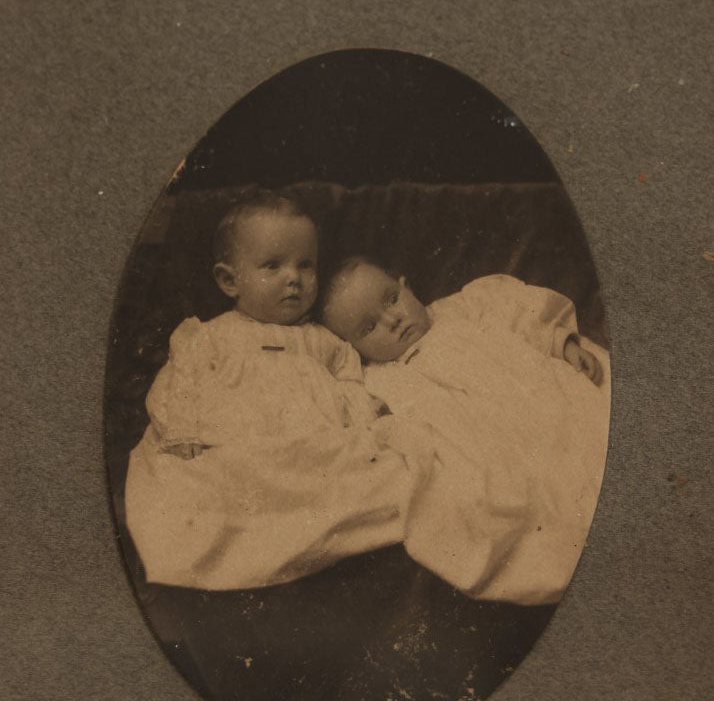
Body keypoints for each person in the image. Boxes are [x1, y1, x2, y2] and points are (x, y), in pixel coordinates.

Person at [125, 192, 432, 591]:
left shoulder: (326, 341)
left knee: (378, 477)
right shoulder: (210, 336)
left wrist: (364, 431)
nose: (294, 278)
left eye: (305, 265)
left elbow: (354, 388)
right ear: (229, 280)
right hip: (241, 442)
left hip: (314, 445)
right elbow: (177, 385)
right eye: (273, 265)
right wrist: (182, 433)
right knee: (207, 489)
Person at [320, 257, 611, 605]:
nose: (392, 320)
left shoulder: (463, 308)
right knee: (525, 502)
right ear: (355, 348)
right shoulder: (378, 381)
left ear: (405, 285)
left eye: (391, 299)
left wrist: (562, 344)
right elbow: (376, 432)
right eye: (369, 328)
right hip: (491, 449)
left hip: (536, 399)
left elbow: (519, 313)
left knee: (587, 435)